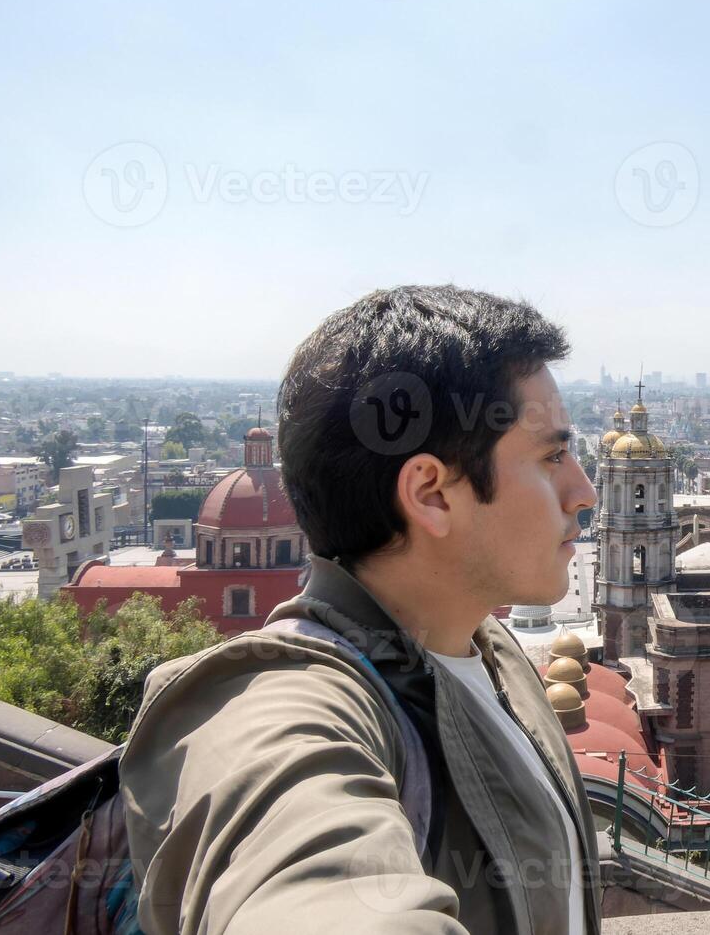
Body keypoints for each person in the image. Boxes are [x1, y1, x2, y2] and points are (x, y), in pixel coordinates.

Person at [119, 286, 603, 933]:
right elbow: (306, 872)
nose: (584, 491)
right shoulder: (278, 705)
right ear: (431, 493)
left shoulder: (492, 652)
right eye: (551, 457)